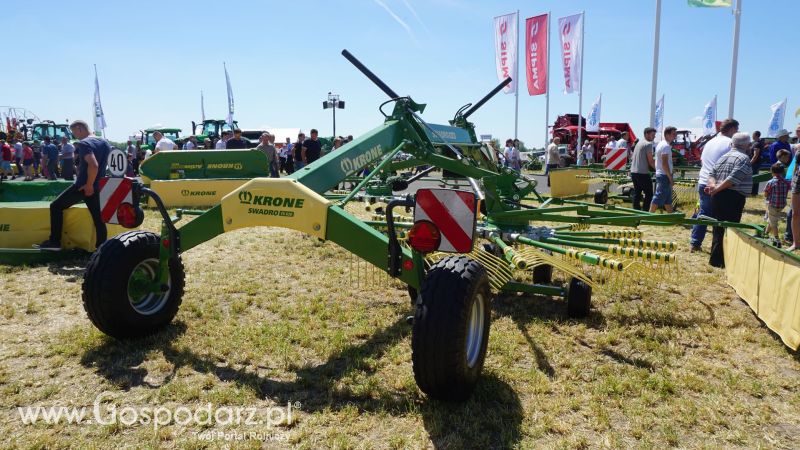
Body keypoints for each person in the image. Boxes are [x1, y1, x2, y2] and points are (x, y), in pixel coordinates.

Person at [35, 120, 110, 251]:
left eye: (74, 132)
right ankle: (102, 249)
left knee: (56, 206)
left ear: (80, 129)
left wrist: (89, 185)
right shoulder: (104, 143)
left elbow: (93, 165)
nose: (74, 136)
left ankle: (54, 242)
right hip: (98, 185)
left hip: (84, 186)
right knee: (99, 219)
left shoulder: (84, 143)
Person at [690, 118, 739, 252]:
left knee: (704, 212)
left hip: (703, 180)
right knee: (720, 215)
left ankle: (695, 242)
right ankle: (718, 248)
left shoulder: (710, 142)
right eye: (737, 130)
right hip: (717, 183)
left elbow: (702, 160)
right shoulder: (730, 143)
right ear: (732, 129)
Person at [705, 132, 752, 267]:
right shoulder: (743, 158)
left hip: (718, 196)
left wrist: (713, 186)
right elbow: (733, 179)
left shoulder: (723, 157)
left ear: (732, 144)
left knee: (718, 227)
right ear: (746, 145)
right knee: (730, 228)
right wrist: (717, 188)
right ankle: (724, 261)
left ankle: (715, 259)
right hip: (733, 196)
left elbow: (711, 174)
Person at [651, 126, 677, 212]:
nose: (675, 136)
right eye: (673, 134)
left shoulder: (661, 144)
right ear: (667, 134)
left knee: (667, 198)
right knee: (659, 196)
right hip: (664, 175)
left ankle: (672, 216)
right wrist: (670, 178)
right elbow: (664, 163)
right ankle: (648, 216)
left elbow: (663, 161)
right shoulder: (666, 146)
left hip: (662, 173)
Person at [630, 127, 656, 211]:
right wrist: (658, 170)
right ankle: (645, 211)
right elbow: (651, 161)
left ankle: (636, 210)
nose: (654, 136)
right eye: (652, 135)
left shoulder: (638, 143)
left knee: (637, 193)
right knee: (649, 194)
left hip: (634, 172)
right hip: (642, 173)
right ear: (646, 134)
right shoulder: (648, 144)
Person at [764, 162, 791, 244]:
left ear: (772, 172)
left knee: (773, 222)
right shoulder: (786, 182)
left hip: (773, 204)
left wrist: (767, 195)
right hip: (782, 204)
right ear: (782, 172)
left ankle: (777, 239)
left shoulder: (771, 182)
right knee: (772, 218)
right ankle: (766, 233)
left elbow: (765, 193)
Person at [749, 131, 764, 196]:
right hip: (756, 163)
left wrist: (750, 163)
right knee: (754, 177)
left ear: (755, 135)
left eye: (752, 134)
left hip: (755, 163)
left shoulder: (757, 144)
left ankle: (754, 192)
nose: (752, 136)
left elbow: (755, 155)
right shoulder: (756, 143)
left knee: (754, 177)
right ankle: (753, 192)